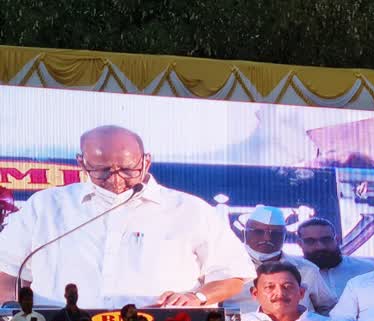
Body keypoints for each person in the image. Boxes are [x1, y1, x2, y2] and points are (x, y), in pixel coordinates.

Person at [0, 125, 255, 308]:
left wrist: (197, 297)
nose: (116, 179)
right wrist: (14, 318)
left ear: (146, 161)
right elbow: (7, 272)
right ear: (82, 163)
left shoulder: (190, 210)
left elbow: (233, 275)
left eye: (127, 169)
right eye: (102, 171)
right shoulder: (45, 206)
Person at [233, 205, 336, 314]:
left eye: (275, 234)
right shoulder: (225, 270)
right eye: (259, 232)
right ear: (245, 234)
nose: (267, 238)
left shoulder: (307, 270)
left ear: (285, 237)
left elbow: (330, 308)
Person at [241, 262, 336, 321]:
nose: (280, 293)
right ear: (255, 293)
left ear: (301, 292)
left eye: (287, 286)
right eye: (269, 287)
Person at [296, 217, 374, 298]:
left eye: (326, 240)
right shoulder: (292, 274)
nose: (320, 247)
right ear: (299, 244)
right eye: (310, 241)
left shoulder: (369, 270)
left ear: (337, 240)